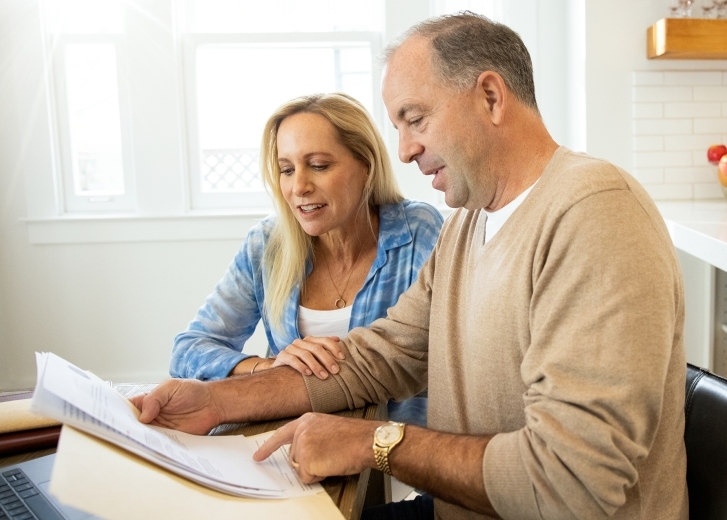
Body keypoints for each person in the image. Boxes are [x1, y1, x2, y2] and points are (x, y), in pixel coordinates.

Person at [133, 12, 688, 520]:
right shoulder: (471, 223)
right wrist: (215, 399)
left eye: (415, 119)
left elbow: (572, 482)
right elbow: (382, 356)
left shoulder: (596, 214)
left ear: (491, 97)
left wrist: (372, 441)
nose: (403, 151)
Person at [169, 92, 443, 425]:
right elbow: (188, 350)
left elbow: (444, 355)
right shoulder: (267, 244)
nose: (299, 186)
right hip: (290, 437)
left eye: (318, 166)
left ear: (366, 166)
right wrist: (270, 368)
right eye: (286, 170)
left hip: (387, 446)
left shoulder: (417, 231)